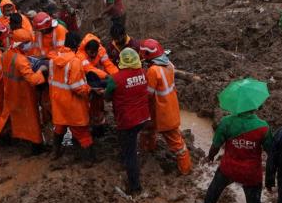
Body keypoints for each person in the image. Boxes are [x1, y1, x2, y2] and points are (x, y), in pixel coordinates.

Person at [192, 101, 274, 203]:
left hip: (229, 167)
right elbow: (272, 153)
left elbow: (216, 144)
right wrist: (270, 178)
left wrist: (210, 157)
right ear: (254, 106)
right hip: (251, 172)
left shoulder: (226, 122)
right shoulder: (263, 127)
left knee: (215, 187)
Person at [139, 38, 192, 175]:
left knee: (176, 143)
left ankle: (185, 170)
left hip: (161, 111)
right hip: (169, 108)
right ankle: (150, 151)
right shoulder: (169, 64)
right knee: (150, 131)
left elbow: (148, 94)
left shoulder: (153, 71)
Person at [0, 28, 48, 154]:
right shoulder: (21, 60)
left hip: (10, 90)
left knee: (11, 117)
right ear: (21, 44)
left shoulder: (7, 54)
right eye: (28, 42)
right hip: (24, 93)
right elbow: (34, 80)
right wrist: (41, 70)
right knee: (32, 120)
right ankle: (36, 146)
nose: (30, 44)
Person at [104, 47, 150, 194]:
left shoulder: (115, 78)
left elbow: (107, 97)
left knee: (130, 153)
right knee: (129, 142)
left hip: (127, 121)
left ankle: (135, 187)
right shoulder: (144, 73)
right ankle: (125, 157)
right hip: (143, 117)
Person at [49, 33, 94, 161]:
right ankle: (88, 159)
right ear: (76, 46)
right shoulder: (75, 62)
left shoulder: (53, 60)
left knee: (59, 128)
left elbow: (52, 81)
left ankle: (55, 153)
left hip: (58, 102)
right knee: (82, 132)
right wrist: (89, 90)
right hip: (73, 105)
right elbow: (77, 87)